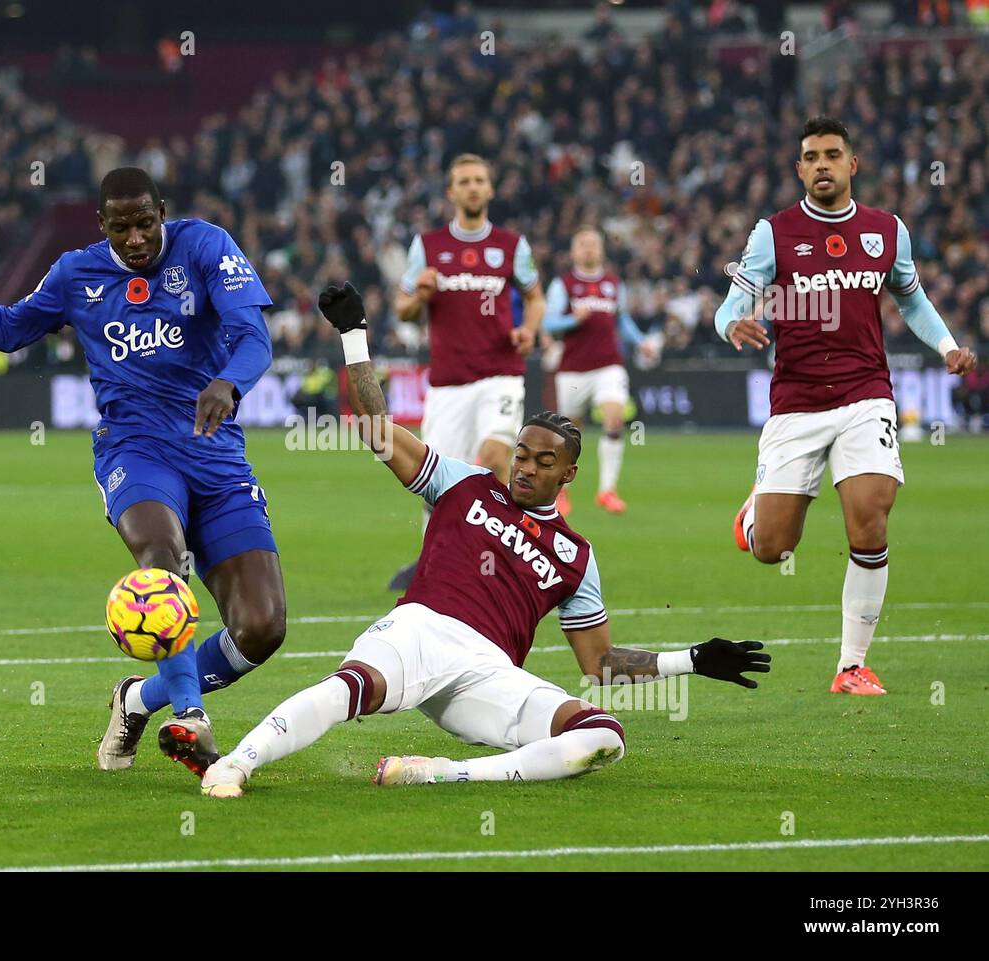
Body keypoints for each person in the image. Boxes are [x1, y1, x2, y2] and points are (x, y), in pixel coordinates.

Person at [200, 282, 769, 798]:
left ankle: (441, 772)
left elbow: (600, 664)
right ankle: (235, 764)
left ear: (567, 475)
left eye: (544, 462)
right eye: (521, 455)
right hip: (420, 628)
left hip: (489, 672)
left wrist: (691, 659)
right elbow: (378, 432)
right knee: (351, 687)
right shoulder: (465, 483)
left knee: (603, 736)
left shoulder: (577, 557)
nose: (525, 469)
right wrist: (354, 337)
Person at [0, 167, 287, 775]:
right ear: (102, 225)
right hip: (134, 450)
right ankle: (190, 718)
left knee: (262, 628)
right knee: (162, 560)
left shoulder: (206, 246)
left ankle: (137, 698)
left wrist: (228, 382)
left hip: (217, 455)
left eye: (145, 222)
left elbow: (255, 338)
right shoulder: (76, 272)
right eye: (122, 227)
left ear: (161, 211)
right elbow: (9, 330)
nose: (136, 237)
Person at [715, 117, 977, 696]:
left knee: (870, 516)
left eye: (834, 154)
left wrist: (948, 346)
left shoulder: (886, 230)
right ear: (800, 169)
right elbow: (730, 304)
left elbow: (912, 298)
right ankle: (756, 512)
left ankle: (850, 665)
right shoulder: (774, 233)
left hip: (866, 395)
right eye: (812, 157)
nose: (823, 164)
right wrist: (732, 321)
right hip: (796, 404)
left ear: (852, 165)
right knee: (773, 549)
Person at [388, 153, 545, 589]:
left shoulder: (513, 245)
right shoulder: (428, 246)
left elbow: (535, 297)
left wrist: (529, 330)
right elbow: (402, 310)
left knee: (496, 457)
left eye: (479, 180)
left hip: (500, 373)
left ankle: (499, 558)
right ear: (451, 192)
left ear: (490, 189)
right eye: (464, 181)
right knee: (433, 484)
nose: (473, 187)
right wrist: (419, 294)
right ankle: (434, 565)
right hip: (448, 384)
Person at [543, 225, 658, 515]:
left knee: (615, 418)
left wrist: (640, 342)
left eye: (593, 244)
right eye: (583, 244)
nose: (589, 249)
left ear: (601, 249)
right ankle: (562, 491)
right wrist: (572, 319)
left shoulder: (612, 283)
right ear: (573, 251)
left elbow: (622, 321)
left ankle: (607, 490)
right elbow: (548, 323)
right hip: (573, 369)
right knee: (570, 432)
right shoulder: (564, 284)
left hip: (609, 365)